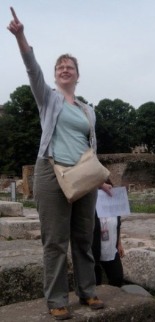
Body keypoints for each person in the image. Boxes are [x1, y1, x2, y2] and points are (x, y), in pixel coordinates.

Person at [8, 7, 109, 320]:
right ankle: (56, 300)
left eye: (71, 67)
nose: (66, 70)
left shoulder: (88, 111)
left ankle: (88, 292)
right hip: (52, 173)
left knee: (83, 237)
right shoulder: (47, 98)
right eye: (61, 67)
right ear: (55, 75)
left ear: (78, 75)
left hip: (82, 177)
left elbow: (89, 148)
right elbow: (31, 68)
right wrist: (21, 35)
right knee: (55, 241)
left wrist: (100, 179)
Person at [92, 181, 125, 287]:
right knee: (96, 281)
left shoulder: (114, 207)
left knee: (117, 277)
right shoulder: (92, 207)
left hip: (111, 248)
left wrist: (119, 243)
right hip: (95, 249)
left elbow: (117, 225)